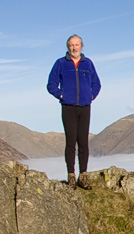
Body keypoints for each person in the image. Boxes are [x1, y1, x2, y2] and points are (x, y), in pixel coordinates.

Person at [47, 34, 101, 190]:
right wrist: (61, 95)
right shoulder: (60, 63)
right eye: (71, 45)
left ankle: (83, 176)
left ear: (81, 46)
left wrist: (91, 96)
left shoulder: (88, 63)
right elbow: (51, 84)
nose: (74, 48)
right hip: (68, 107)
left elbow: (97, 83)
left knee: (83, 142)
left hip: (85, 106)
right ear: (67, 47)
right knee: (71, 142)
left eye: (76, 45)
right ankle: (71, 176)